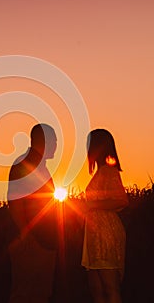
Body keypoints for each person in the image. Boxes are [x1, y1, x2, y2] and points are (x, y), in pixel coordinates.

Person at [7, 123, 58, 303]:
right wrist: (25, 232)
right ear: (45, 141)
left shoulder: (38, 165)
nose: (57, 145)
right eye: (55, 140)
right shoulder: (25, 164)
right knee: (24, 293)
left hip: (44, 241)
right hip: (32, 241)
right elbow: (15, 201)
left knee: (40, 294)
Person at [81, 129, 129, 303]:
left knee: (110, 288)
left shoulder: (109, 171)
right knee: (97, 290)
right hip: (93, 235)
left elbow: (122, 200)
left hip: (105, 233)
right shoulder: (100, 172)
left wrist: (91, 205)